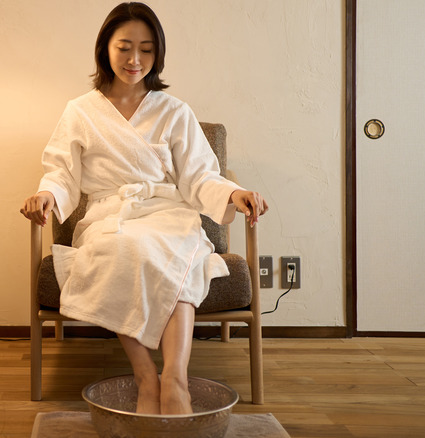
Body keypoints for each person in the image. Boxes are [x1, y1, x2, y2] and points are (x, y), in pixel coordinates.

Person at [20, 2, 268, 415]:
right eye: (125, 47)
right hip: (109, 217)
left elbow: (200, 175)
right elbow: (61, 174)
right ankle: (144, 375)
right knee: (124, 250)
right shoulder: (80, 111)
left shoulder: (174, 111)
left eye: (147, 49)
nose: (135, 60)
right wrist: (47, 196)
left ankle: (174, 378)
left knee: (176, 255)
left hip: (167, 212)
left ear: (158, 54)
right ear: (105, 49)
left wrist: (232, 194)